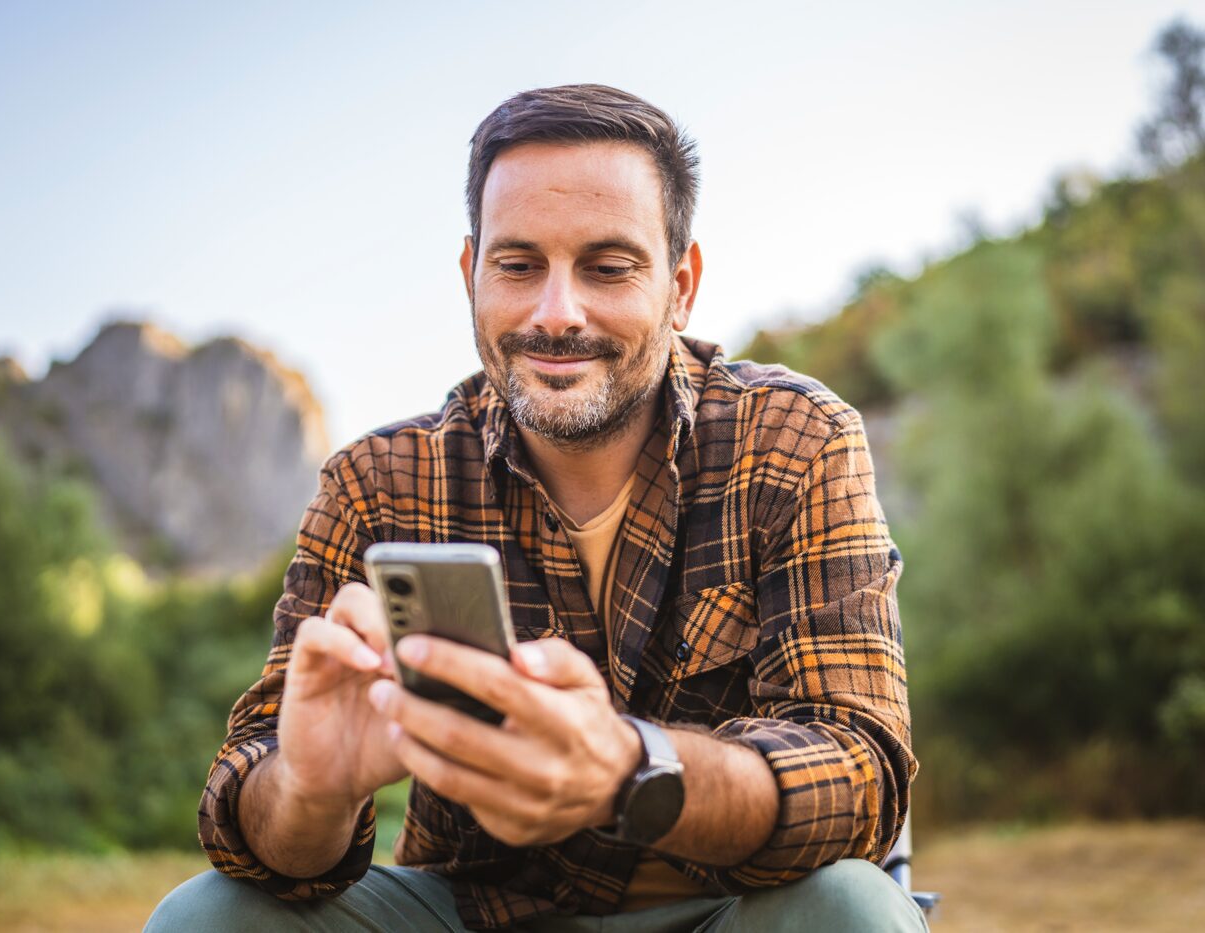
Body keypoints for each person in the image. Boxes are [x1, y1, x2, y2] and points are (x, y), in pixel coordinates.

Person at [147, 84, 925, 932]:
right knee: (208, 917)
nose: (557, 313)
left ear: (681, 285)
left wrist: (632, 767)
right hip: (473, 912)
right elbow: (247, 799)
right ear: (471, 274)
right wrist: (307, 789)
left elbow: (860, 769)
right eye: (518, 266)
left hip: (733, 911)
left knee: (853, 909)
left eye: (608, 266)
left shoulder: (797, 439)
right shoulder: (377, 482)